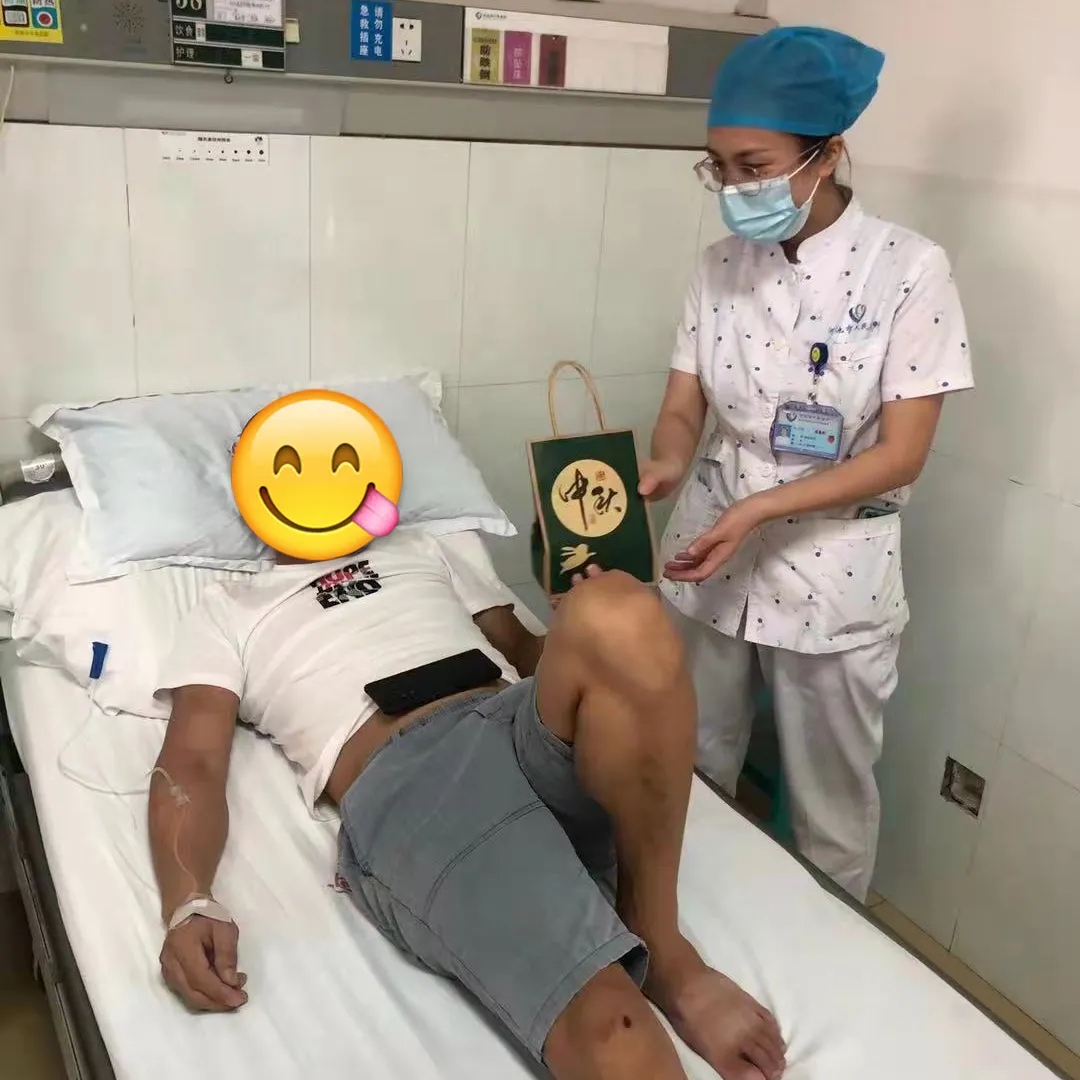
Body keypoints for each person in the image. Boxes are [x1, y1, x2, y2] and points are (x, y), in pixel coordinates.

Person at [148, 527, 788, 1080]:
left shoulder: (428, 546)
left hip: (520, 720)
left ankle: (660, 941)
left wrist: (572, 622)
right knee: (612, 1028)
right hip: (418, 778)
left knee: (617, 609)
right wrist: (187, 899)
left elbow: (525, 651)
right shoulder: (228, 607)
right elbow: (193, 762)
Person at [639, 26, 974, 901]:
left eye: (753, 166)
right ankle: (692, 929)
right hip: (710, 546)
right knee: (693, 761)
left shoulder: (908, 271)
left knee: (830, 807)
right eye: (719, 168)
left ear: (827, 154)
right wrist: (667, 462)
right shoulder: (718, 266)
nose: (734, 189)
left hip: (833, 565)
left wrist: (757, 511)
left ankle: (833, 953)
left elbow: (902, 456)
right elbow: (684, 403)